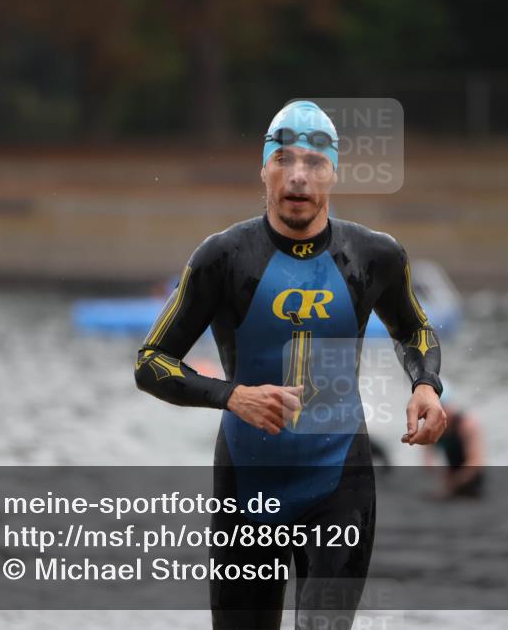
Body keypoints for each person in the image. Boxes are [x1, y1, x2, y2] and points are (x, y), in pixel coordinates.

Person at [134, 100, 447, 629]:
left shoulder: (375, 256)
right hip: (247, 482)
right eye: (284, 160)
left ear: (334, 173)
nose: (298, 177)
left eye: (314, 163)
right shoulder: (223, 258)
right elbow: (151, 362)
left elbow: (414, 329)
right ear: (263, 169)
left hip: (339, 483)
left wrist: (426, 385)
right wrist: (232, 395)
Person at [425, 381, 485, 498]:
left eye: (442, 407)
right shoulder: (431, 425)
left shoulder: (466, 425)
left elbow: (476, 463)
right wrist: (440, 477)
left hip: (472, 477)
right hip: (451, 472)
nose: (438, 413)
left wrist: (453, 483)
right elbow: (428, 461)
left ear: (449, 405)